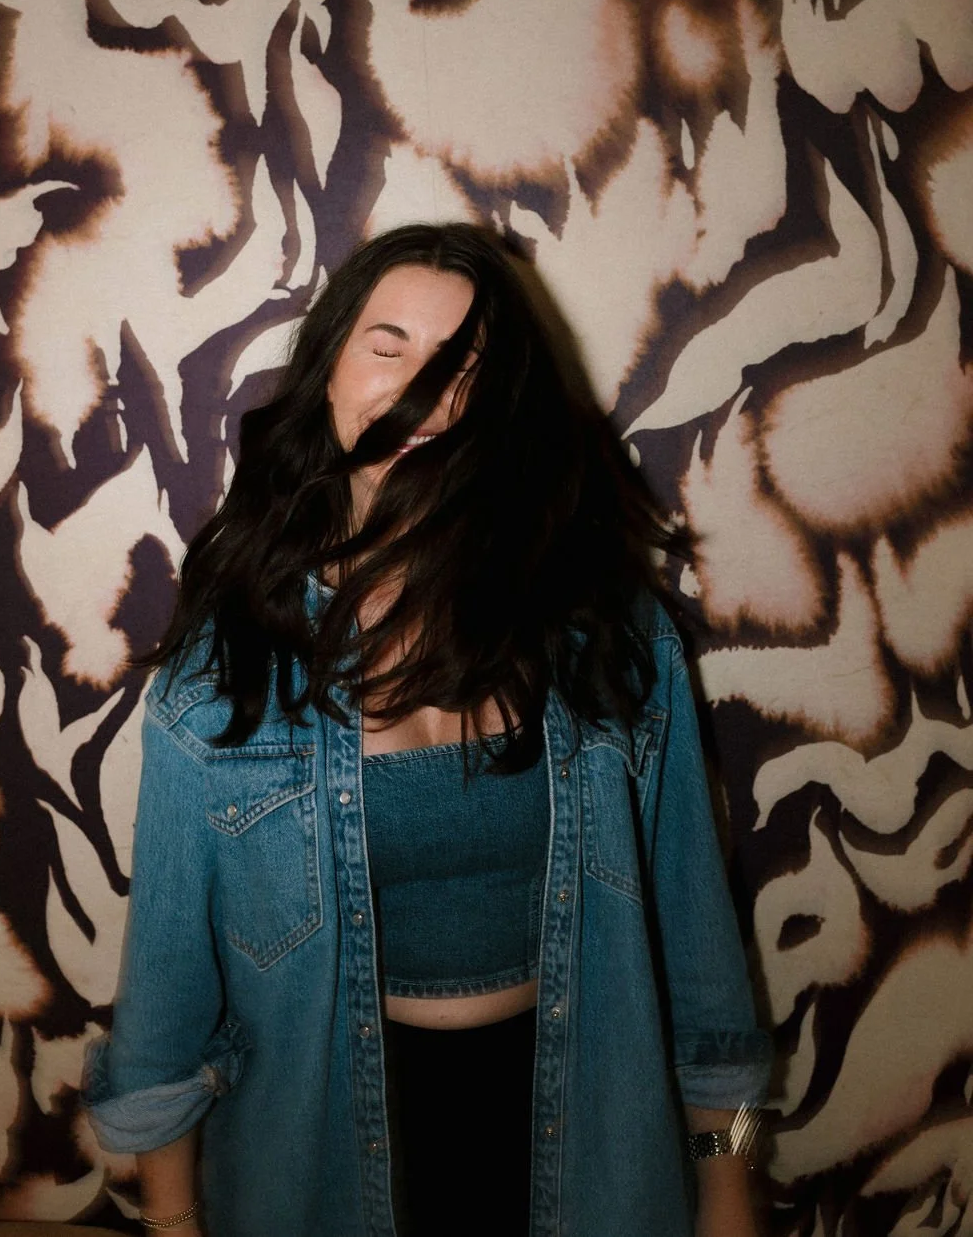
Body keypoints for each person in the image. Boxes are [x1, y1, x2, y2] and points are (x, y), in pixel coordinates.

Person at [83, 222, 771, 1237]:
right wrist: (175, 1225)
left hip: (597, 1152)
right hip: (312, 1168)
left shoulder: (615, 639)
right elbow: (164, 1014)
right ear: (327, 374)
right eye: (388, 347)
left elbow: (707, 979)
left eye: (465, 367)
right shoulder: (224, 679)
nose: (425, 394)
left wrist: (729, 1187)